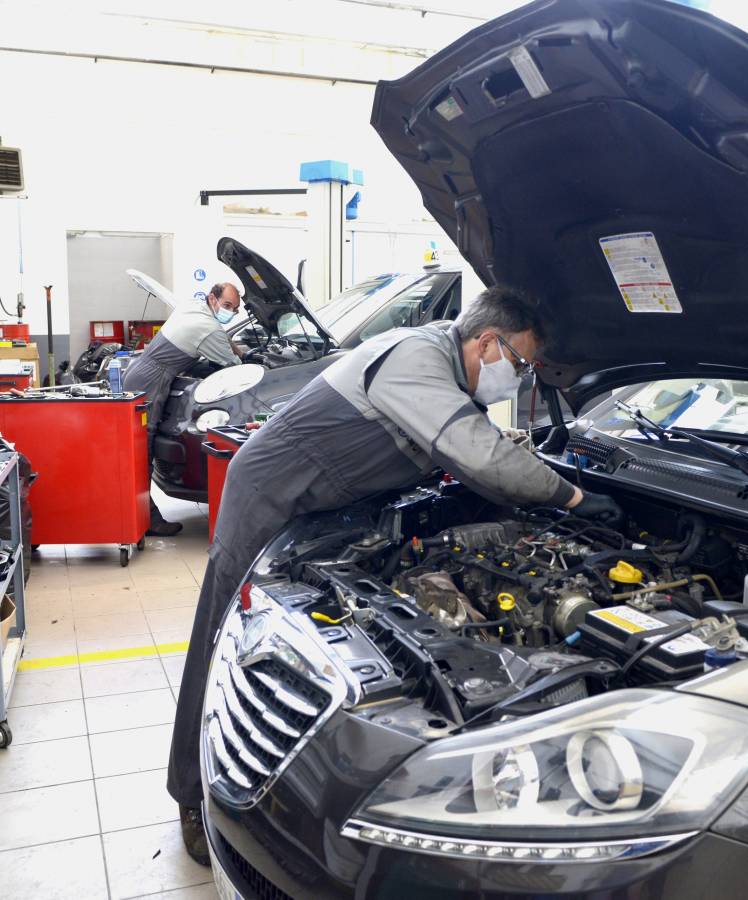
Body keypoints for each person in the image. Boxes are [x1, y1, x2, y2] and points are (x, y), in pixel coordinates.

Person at [167, 285, 622, 864]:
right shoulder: (416, 357)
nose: (524, 378)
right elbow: (479, 455)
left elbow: (475, 461)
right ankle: (190, 794)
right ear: (487, 342)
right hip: (272, 497)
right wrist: (575, 498)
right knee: (223, 635)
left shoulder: (453, 378)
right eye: (523, 364)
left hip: (330, 507)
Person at [123, 282, 244, 536]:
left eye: (235, 309)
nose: (230, 311)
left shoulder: (195, 308)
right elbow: (233, 365)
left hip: (142, 373)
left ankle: (140, 515)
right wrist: (244, 355)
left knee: (139, 448)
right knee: (141, 449)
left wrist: (230, 343)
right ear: (213, 298)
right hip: (151, 382)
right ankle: (147, 519)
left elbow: (218, 338)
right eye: (227, 305)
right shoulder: (208, 327)